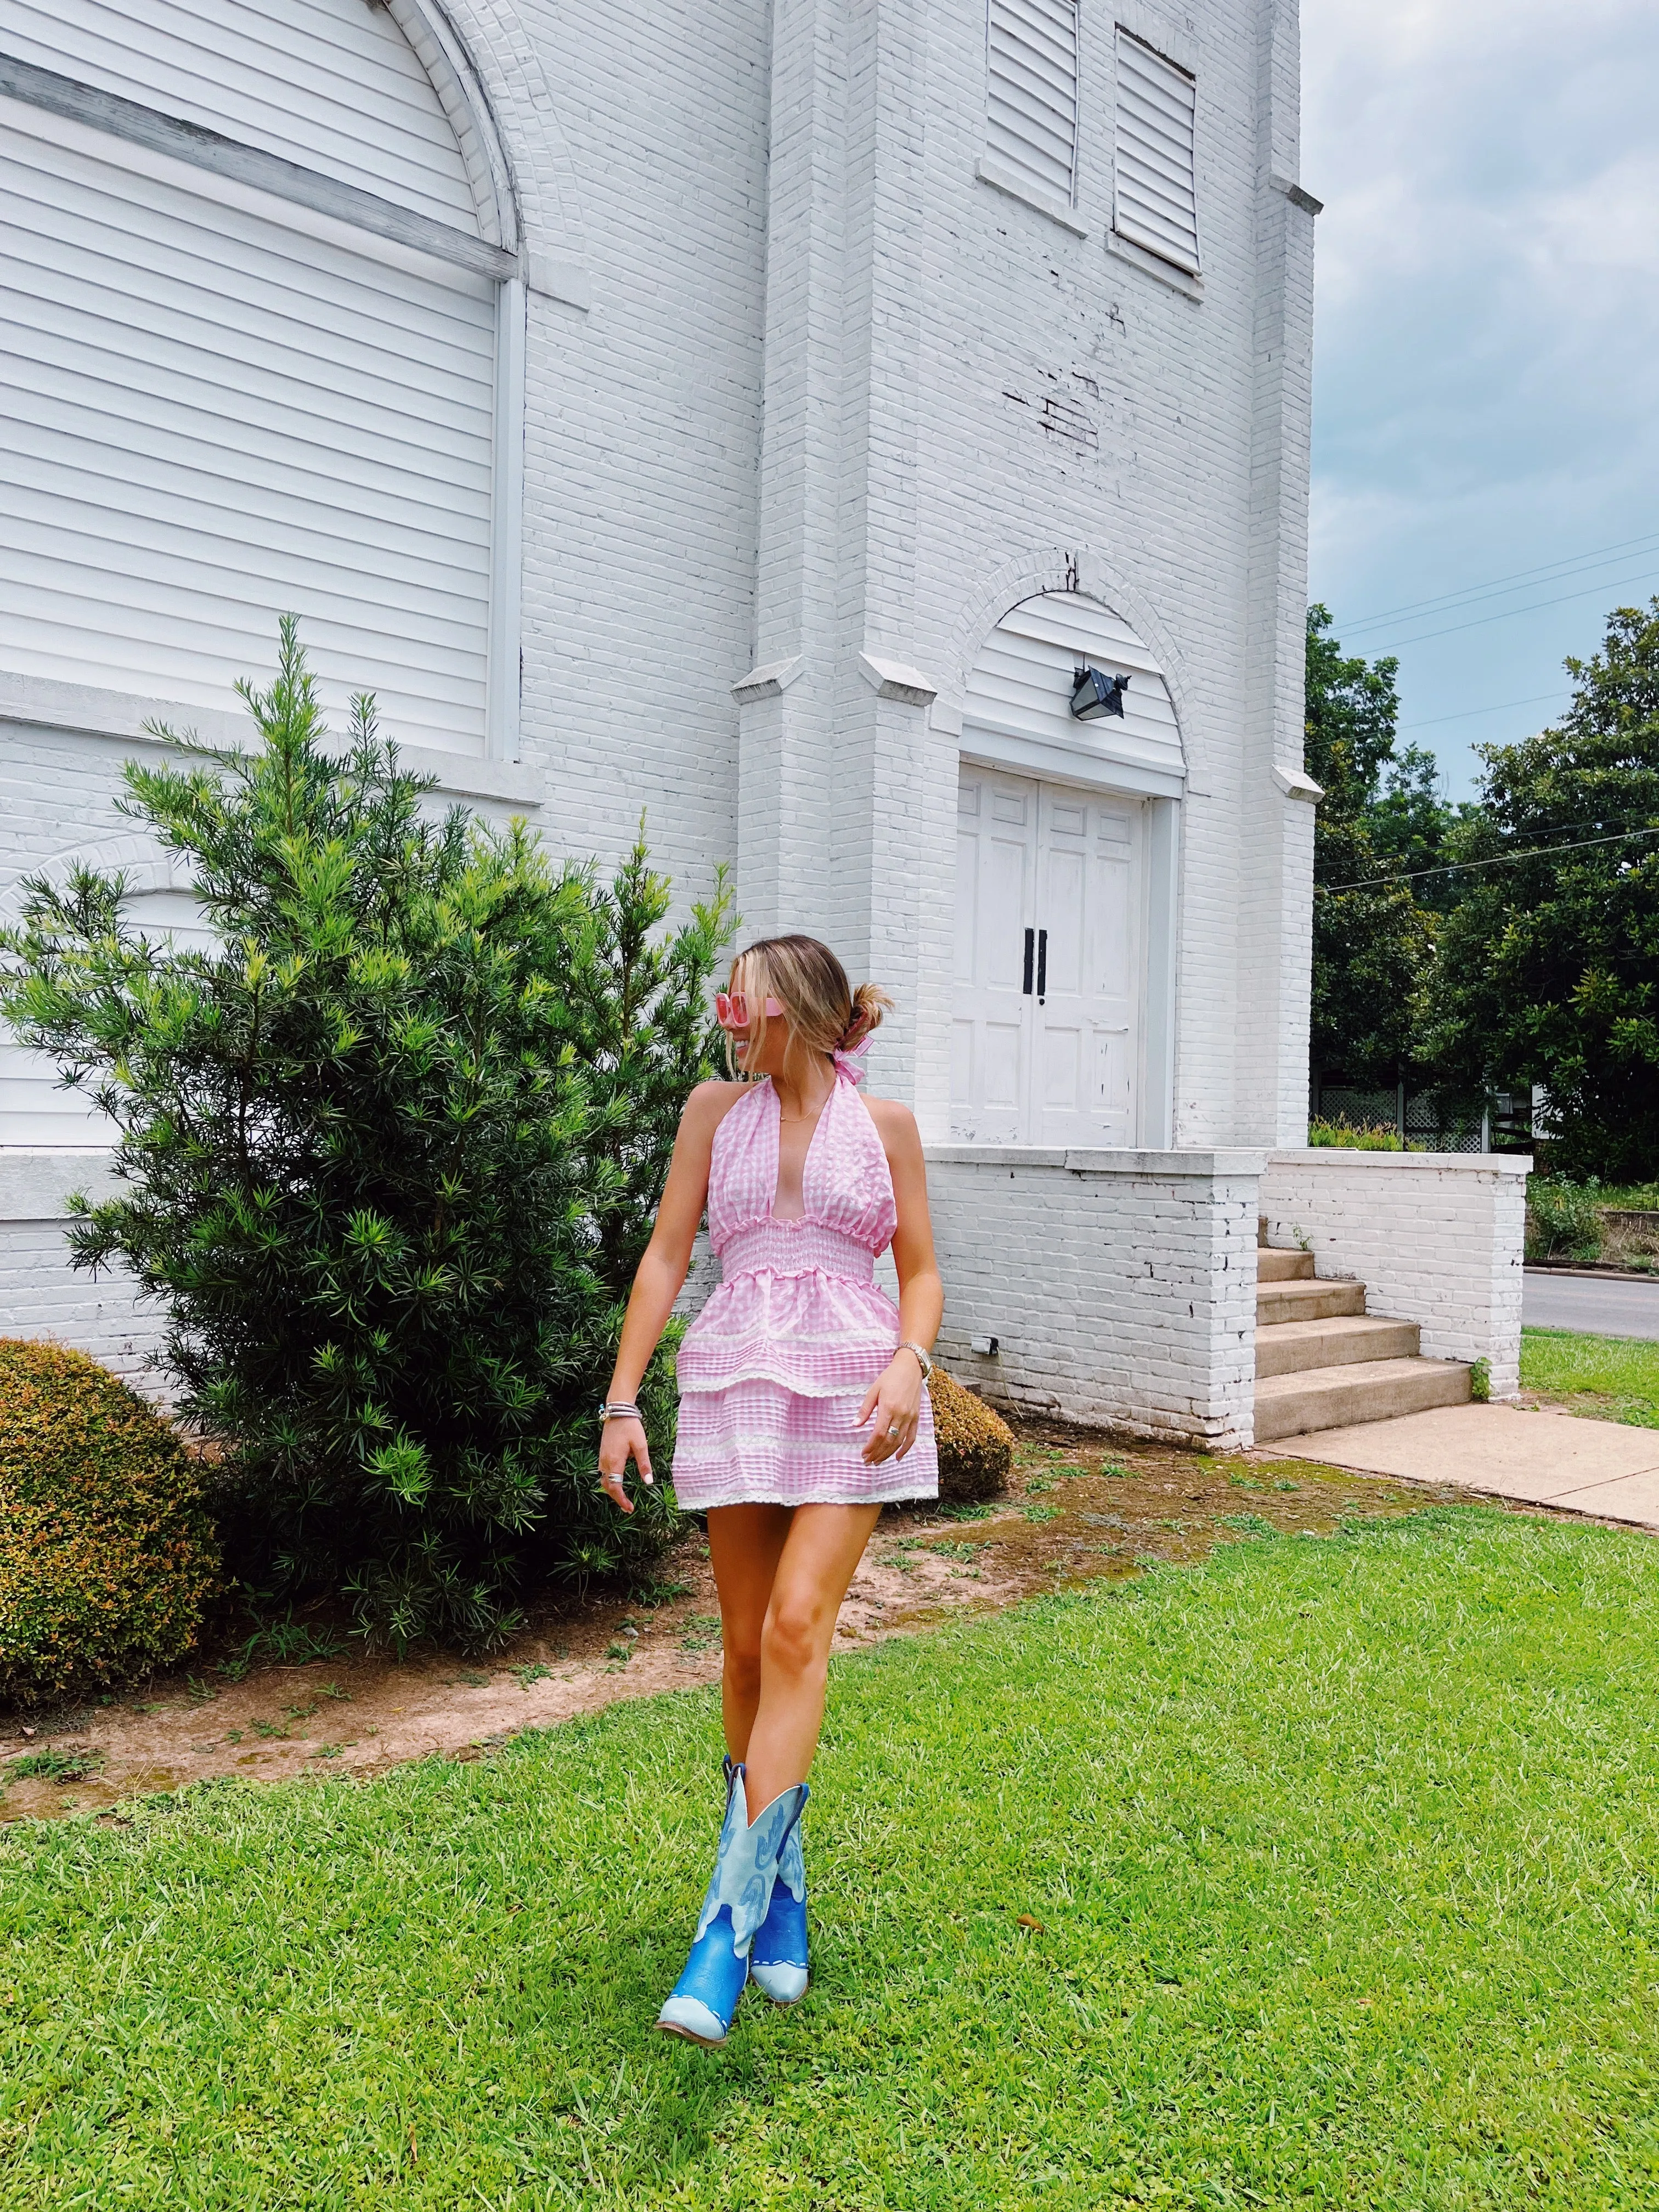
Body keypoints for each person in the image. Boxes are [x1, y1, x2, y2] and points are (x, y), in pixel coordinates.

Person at [597, 933, 944, 2046]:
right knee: (745, 1647)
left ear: (788, 1009)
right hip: (735, 1384)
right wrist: (620, 1399)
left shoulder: (885, 1127)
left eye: (735, 1005)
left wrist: (911, 1360)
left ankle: (725, 1931)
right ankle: (783, 1892)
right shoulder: (713, 1113)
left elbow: (923, 1272)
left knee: (800, 1629)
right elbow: (664, 1255)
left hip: (855, 1396)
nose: (724, 1022)